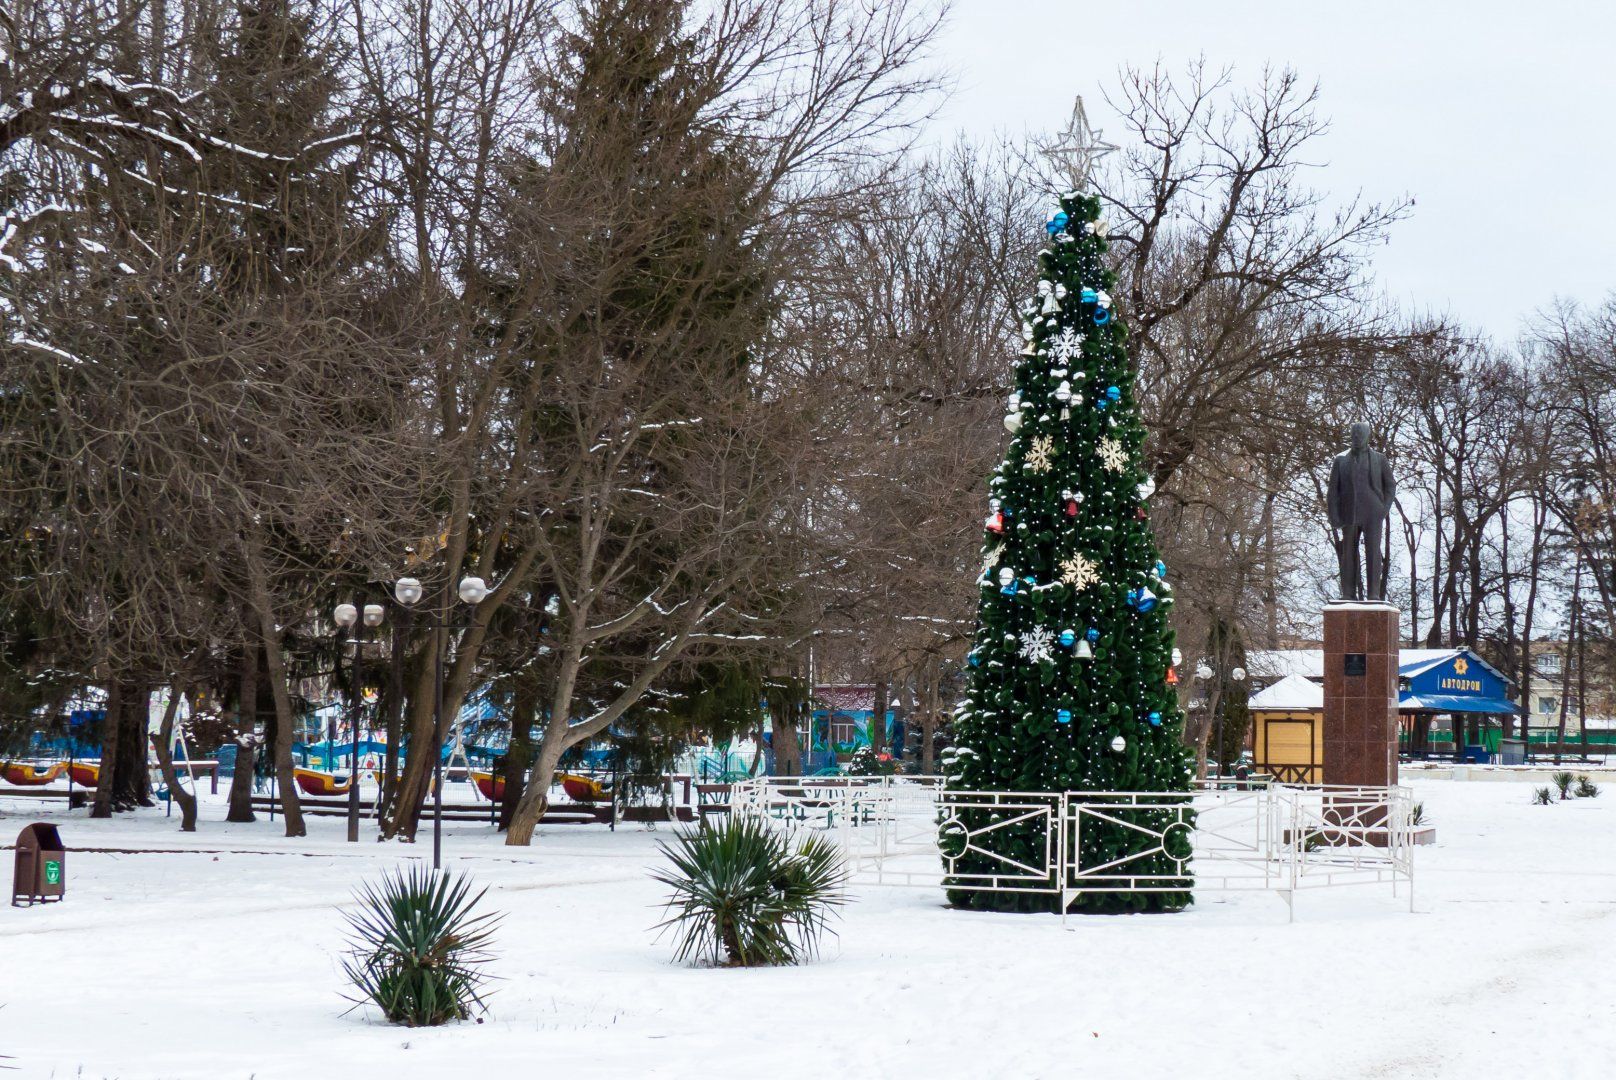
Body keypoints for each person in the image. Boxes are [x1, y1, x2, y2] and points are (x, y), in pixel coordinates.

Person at [1326, 422, 1396, 601]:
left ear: (1367, 436)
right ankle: (1348, 593)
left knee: (1373, 553)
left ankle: (1374, 593)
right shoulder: (1340, 460)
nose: (1356, 438)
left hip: (1373, 512)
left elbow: (1390, 485)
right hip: (1349, 512)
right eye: (1354, 435)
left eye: (1360, 435)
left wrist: (1384, 509)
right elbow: (1333, 490)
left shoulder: (1379, 459)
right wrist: (1334, 515)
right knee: (1348, 553)